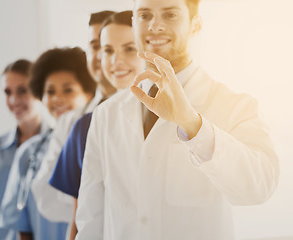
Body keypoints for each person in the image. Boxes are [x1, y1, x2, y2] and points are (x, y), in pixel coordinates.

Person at [75, 0, 279, 239]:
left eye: (170, 15)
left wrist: (193, 124)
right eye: (144, 15)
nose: (154, 25)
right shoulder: (106, 114)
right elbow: (91, 217)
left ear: (196, 25)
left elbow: (258, 188)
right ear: (133, 23)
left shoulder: (234, 104)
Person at [48, 11, 144, 239]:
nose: (116, 60)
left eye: (130, 48)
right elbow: (82, 214)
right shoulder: (86, 126)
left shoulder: (175, 115)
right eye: (107, 50)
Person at [0, 47, 96, 240]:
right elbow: (21, 225)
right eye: (49, 91)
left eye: (68, 90)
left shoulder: (98, 146)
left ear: (89, 94)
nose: (57, 98)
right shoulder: (28, 152)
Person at [30, 10, 116, 224]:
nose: (100, 55)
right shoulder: (72, 123)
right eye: (94, 46)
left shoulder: (146, 112)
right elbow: (46, 196)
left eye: (107, 46)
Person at [0, 59, 49, 240]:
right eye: (8, 92)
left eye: (22, 90)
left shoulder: (57, 147)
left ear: (38, 90)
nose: (14, 100)